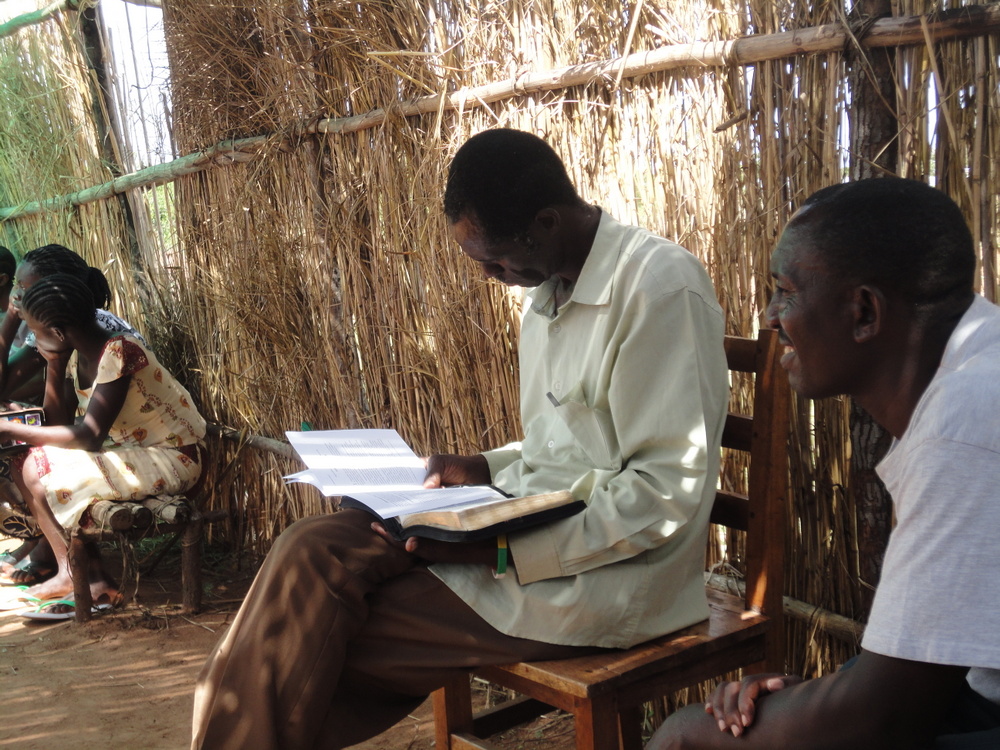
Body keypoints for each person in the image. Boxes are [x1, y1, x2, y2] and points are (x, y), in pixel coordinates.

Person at [191, 128, 729, 749]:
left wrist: (498, 550)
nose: (490, 275)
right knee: (308, 547)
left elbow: (662, 496)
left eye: (494, 259)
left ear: (547, 222)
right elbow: (558, 450)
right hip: (522, 522)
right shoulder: (548, 292)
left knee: (302, 641)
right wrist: (480, 467)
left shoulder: (658, 287)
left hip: (611, 572)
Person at [647, 178, 1000, 750]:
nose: (769, 317)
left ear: (863, 311)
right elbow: (922, 670)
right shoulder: (977, 365)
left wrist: (708, 733)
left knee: (684, 739)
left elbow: (881, 719)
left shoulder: (961, 429)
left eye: (784, 291)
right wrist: (806, 706)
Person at [0, 273, 206, 617]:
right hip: (132, 454)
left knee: (38, 464)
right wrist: (54, 363)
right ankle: (71, 573)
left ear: (59, 333)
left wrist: (7, 427)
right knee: (26, 457)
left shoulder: (120, 351)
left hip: (177, 457)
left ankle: (95, 582)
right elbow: (58, 421)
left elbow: (89, 435)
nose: (34, 341)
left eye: (36, 334)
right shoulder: (83, 353)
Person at [0, 243, 148, 587]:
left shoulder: (104, 338)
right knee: (24, 444)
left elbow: (90, 434)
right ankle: (58, 556)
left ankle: (75, 567)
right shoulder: (65, 331)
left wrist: (11, 428)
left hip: (135, 444)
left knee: (28, 451)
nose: (18, 296)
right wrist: (18, 326)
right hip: (112, 439)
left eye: (25, 289)